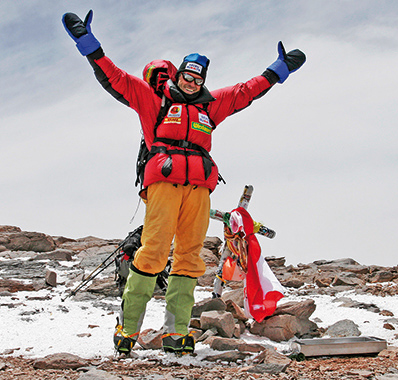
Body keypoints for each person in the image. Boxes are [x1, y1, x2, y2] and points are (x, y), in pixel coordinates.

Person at [62, 10, 305, 354]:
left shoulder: (210, 106)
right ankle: (128, 329)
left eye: (198, 77)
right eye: (187, 75)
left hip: (199, 189)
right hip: (163, 184)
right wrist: (87, 42)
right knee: (153, 253)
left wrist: (278, 70)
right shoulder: (154, 100)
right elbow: (115, 78)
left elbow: (244, 92)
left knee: (190, 258)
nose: (192, 82)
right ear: (179, 74)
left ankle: (176, 333)